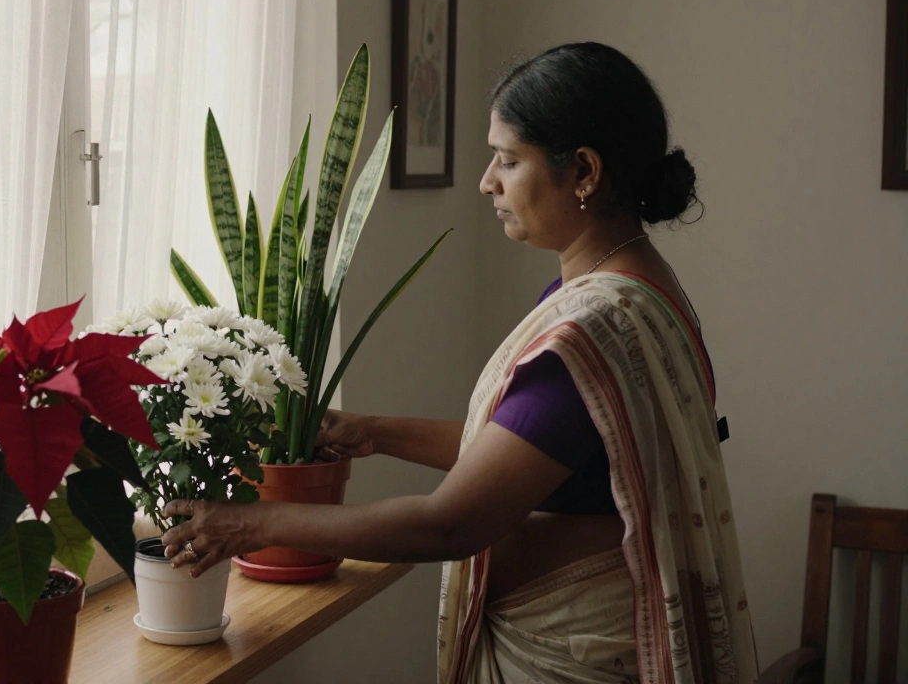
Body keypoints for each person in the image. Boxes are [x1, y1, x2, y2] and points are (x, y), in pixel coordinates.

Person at [159, 42, 758, 684]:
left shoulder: (593, 326)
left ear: (582, 171)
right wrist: (373, 431)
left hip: (575, 658)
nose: (487, 181)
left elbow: (449, 525)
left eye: (508, 159)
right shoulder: (640, 286)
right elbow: (528, 456)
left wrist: (252, 523)